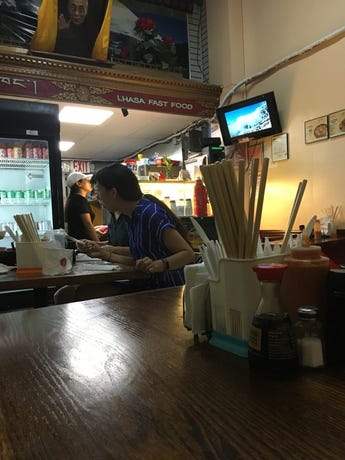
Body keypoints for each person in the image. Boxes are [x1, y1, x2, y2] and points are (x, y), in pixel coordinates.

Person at [79, 163, 196, 291]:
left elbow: (188, 254)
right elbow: (138, 257)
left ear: (113, 192)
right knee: (76, 291)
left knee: (80, 292)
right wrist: (103, 253)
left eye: (99, 191)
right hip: (145, 284)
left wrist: (160, 264)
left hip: (166, 289)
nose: (97, 197)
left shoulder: (149, 214)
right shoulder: (131, 215)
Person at [65, 171, 99, 243]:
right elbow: (88, 224)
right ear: (79, 183)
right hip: (84, 243)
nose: (90, 183)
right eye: (87, 181)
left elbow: (78, 225)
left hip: (76, 241)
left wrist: (95, 230)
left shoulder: (72, 199)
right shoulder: (80, 200)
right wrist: (98, 243)